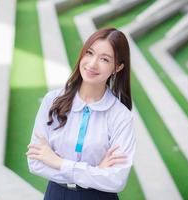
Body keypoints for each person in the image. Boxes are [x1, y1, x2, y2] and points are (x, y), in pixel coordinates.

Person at [26, 27, 135, 200]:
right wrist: (97, 172)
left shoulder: (120, 116)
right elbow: (35, 163)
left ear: (118, 67)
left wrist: (58, 162)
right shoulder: (52, 101)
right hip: (56, 194)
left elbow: (116, 180)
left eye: (105, 59)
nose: (92, 64)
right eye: (90, 53)